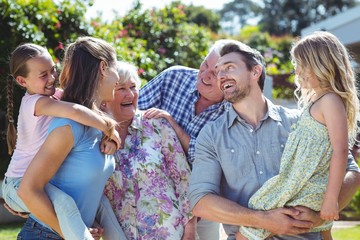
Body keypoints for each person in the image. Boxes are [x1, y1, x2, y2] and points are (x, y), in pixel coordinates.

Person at [188, 40, 360, 240]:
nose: (220, 76)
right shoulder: (211, 135)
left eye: (229, 68)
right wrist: (262, 220)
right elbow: (200, 201)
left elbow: (350, 170)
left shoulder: (301, 122)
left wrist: (320, 215)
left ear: (255, 72)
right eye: (218, 71)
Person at [238, 31, 360, 240]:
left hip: (307, 186)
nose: (296, 70)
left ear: (321, 65)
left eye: (301, 64)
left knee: (248, 231)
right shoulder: (317, 101)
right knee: (321, 231)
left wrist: (331, 199)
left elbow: (340, 150)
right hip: (302, 182)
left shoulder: (330, 100)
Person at [2, 42, 121, 240]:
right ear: (22, 82)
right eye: (43, 75)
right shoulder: (36, 102)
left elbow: (82, 104)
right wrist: (108, 126)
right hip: (17, 184)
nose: (52, 79)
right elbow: (74, 110)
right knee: (65, 204)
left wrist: (109, 136)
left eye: (53, 71)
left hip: (27, 186)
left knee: (98, 207)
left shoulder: (55, 97)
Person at [138, 40, 236, 239]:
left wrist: (172, 125)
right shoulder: (174, 77)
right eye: (205, 65)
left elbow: (208, 160)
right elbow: (132, 116)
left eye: (215, 73)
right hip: (153, 191)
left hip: (204, 198)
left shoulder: (233, 111)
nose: (205, 75)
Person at [103, 61, 197, 240]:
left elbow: (184, 179)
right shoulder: (94, 136)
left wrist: (190, 231)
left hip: (170, 233)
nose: (130, 94)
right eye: (121, 88)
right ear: (104, 96)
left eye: (133, 87)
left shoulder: (156, 126)